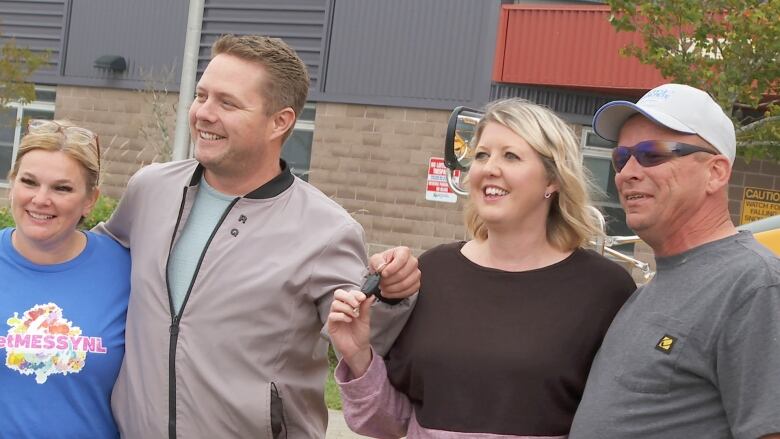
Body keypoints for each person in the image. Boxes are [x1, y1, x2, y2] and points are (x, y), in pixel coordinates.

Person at [96, 34, 419, 438]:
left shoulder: (327, 231)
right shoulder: (149, 189)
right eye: (202, 96)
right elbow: (89, 268)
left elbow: (366, 341)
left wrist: (391, 295)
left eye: (227, 103)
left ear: (279, 121)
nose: (203, 114)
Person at [329, 98, 637, 438]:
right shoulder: (431, 271)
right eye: (481, 155)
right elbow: (388, 423)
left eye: (511, 156)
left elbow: (616, 421)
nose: (490, 168)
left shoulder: (604, 289)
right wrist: (358, 355)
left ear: (553, 180)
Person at [569, 83, 780, 438]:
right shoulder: (651, 289)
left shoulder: (755, 286)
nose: (627, 172)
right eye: (622, 157)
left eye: (653, 154)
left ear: (715, 172)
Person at [0, 120, 130, 438]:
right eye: (29, 182)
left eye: (62, 188)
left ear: (90, 199)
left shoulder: (127, 270)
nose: (41, 199)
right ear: (12, 182)